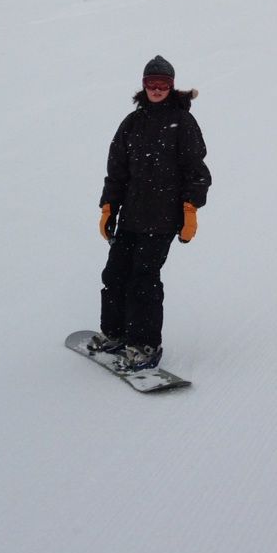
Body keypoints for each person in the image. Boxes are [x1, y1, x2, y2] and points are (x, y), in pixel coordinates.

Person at [88, 55, 212, 371]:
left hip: (163, 219)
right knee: (115, 274)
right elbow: (117, 172)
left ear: (172, 87)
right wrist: (109, 207)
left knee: (143, 279)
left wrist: (190, 209)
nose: (157, 89)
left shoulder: (182, 123)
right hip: (131, 216)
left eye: (163, 84)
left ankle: (145, 344)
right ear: (143, 85)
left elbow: (197, 172)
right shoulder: (132, 123)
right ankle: (115, 332)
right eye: (151, 83)